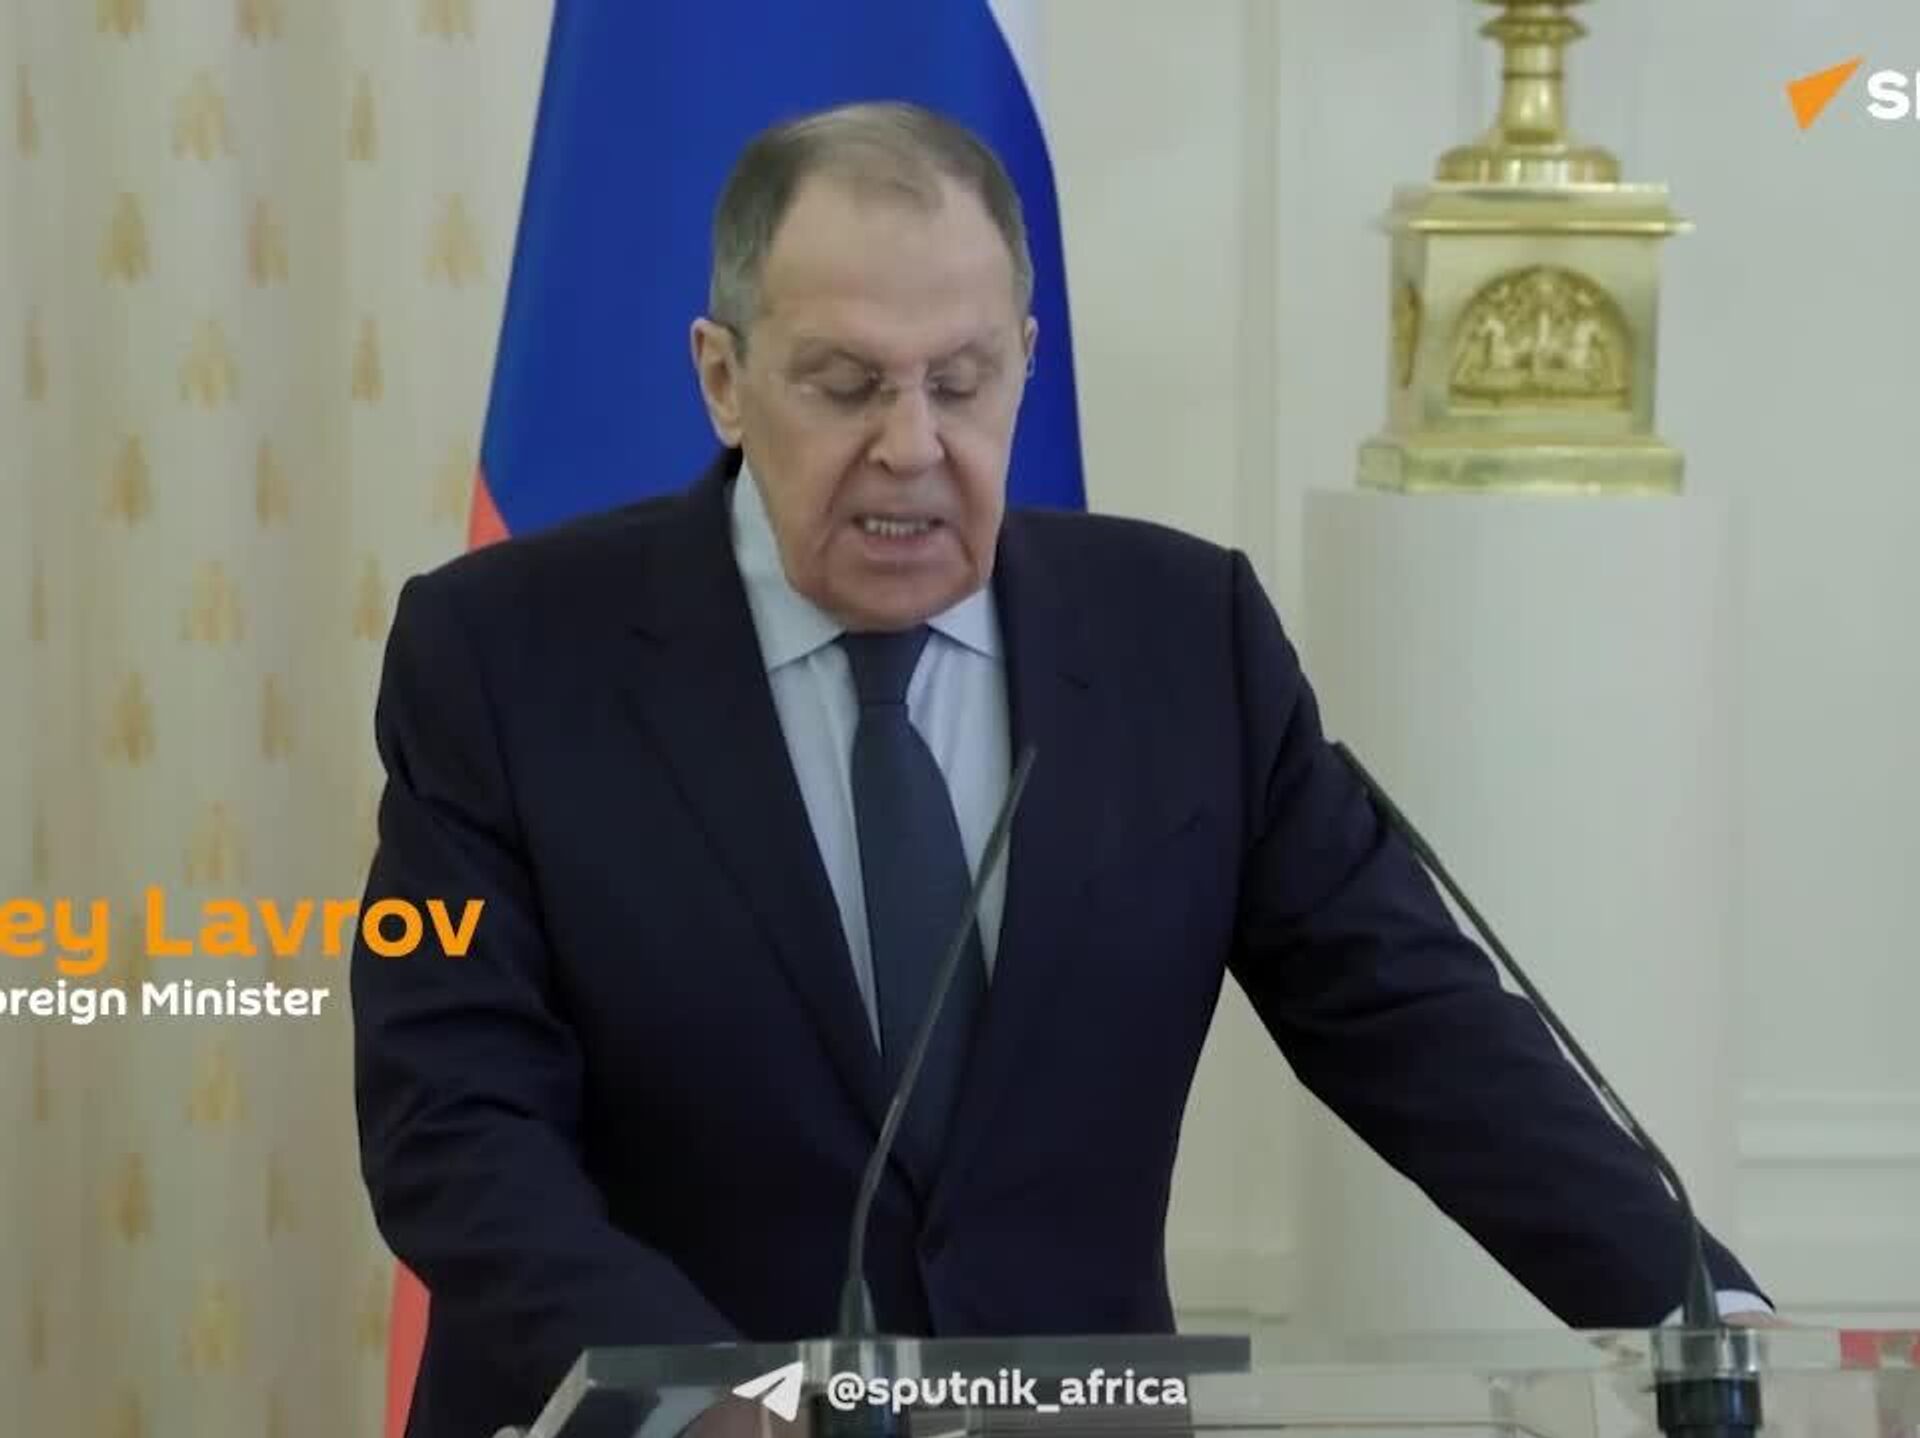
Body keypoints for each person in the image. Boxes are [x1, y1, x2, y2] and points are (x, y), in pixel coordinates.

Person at [349, 101, 1769, 1438]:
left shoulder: (1183, 639)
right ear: (724, 379)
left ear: (1027, 360)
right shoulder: (505, 658)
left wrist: (1702, 1315)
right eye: (845, 386)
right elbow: (453, 1119)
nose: (912, 447)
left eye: (962, 383)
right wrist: (713, 1402)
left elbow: (1414, 1019)